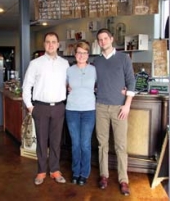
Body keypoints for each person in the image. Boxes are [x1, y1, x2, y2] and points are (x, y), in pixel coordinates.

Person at [22, 32, 69, 185]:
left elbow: (69, 85)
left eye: (53, 42)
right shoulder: (35, 63)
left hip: (59, 108)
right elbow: (26, 86)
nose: (51, 44)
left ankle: (55, 170)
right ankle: (41, 171)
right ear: (44, 44)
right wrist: (30, 107)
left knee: (56, 141)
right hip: (40, 108)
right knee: (42, 141)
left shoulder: (65, 64)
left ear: (58, 44)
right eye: (48, 42)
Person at [93, 28, 136, 196]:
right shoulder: (96, 61)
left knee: (120, 145)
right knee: (102, 144)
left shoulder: (124, 58)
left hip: (119, 107)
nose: (103, 41)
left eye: (105, 38)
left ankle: (123, 179)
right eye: (100, 39)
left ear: (111, 39)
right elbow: (93, 83)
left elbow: (131, 81)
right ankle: (104, 175)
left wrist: (127, 105)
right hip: (100, 107)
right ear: (98, 43)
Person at [66, 41, 96, 186]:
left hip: (89, 110)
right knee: (75, 144)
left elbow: (103, 84)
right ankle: (76, 171)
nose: (81, 55)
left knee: (85, 144)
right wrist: (66, 87)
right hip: (72, 110)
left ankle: (84, 173)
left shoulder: (94, 70)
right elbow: (63, 85)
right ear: (75, 54)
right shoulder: (69, 70)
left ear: (88, 55)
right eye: (78, 52)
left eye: (84, 53)